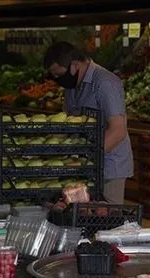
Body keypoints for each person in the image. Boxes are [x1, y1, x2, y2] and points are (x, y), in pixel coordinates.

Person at [44, 42, 133, 204]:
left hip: (108, 167)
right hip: (84, 167)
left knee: (106, 214)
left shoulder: (105, 82)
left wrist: (88, 158)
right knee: (81, 213)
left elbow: (118, 130)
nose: (58, 80)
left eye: (58, 75)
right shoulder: (72, 86)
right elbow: (69, 122)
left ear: (75, 65)